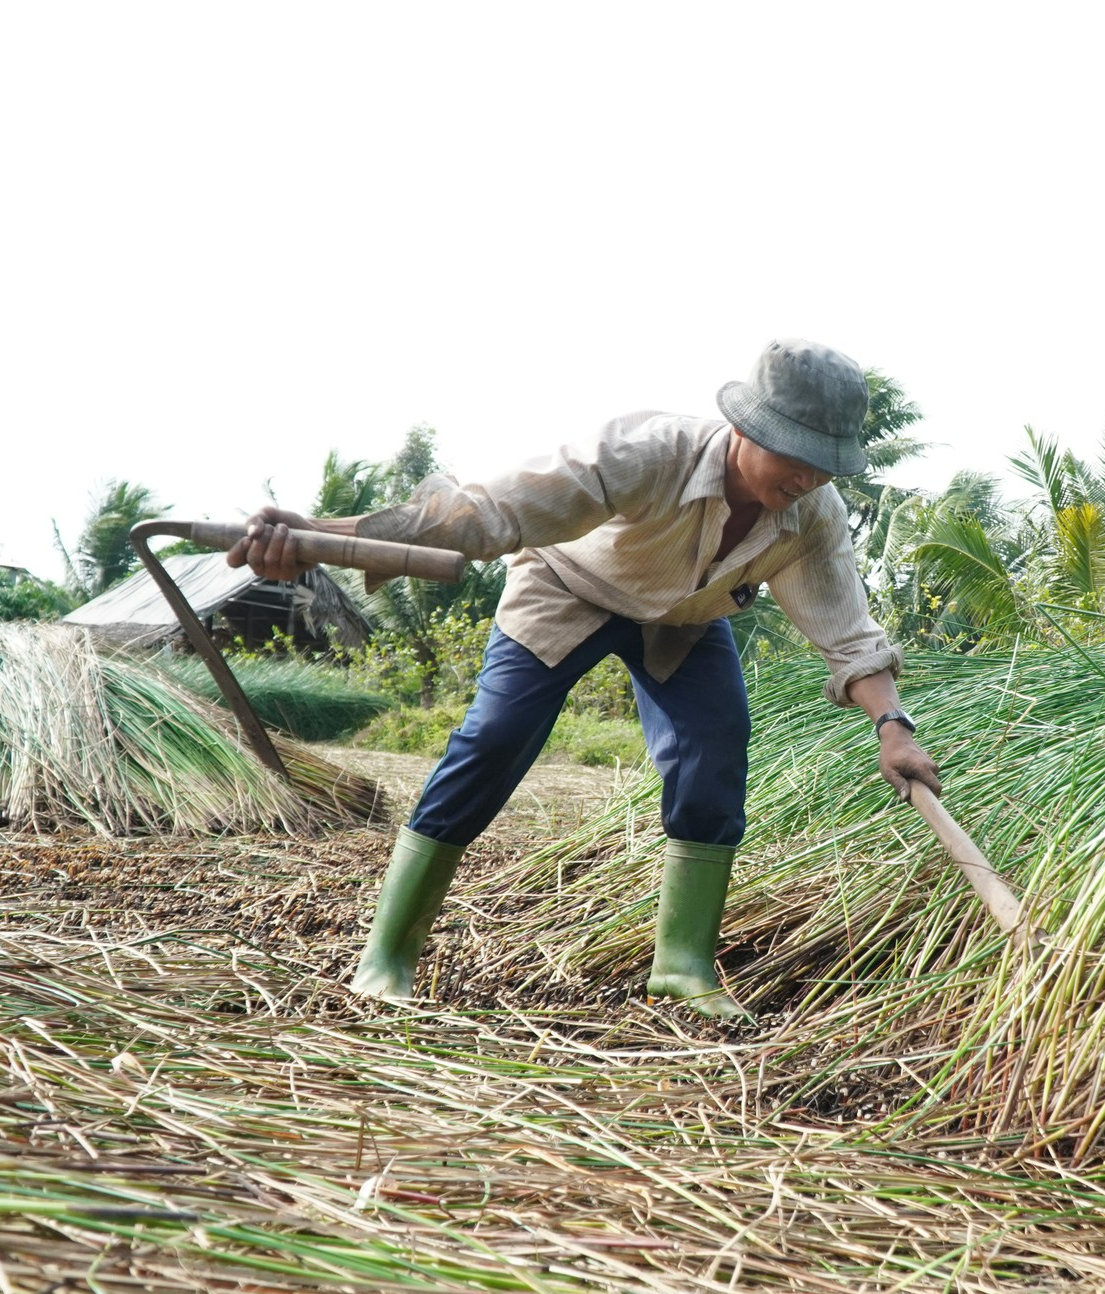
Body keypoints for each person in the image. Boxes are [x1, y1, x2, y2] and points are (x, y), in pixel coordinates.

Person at [230, 338, 940, 1021]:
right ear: (744, 426)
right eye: (796, 454)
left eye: (825, 464)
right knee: (496, 737)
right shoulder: (643, 452)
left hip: (684, 617)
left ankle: (683, 964)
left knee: (715, 747)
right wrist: (317, 534)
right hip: (567, 585)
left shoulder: (810, 515)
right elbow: (489, 512)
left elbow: (846, 630)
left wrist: (893, 727)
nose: (809, 476)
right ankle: (388, 955)